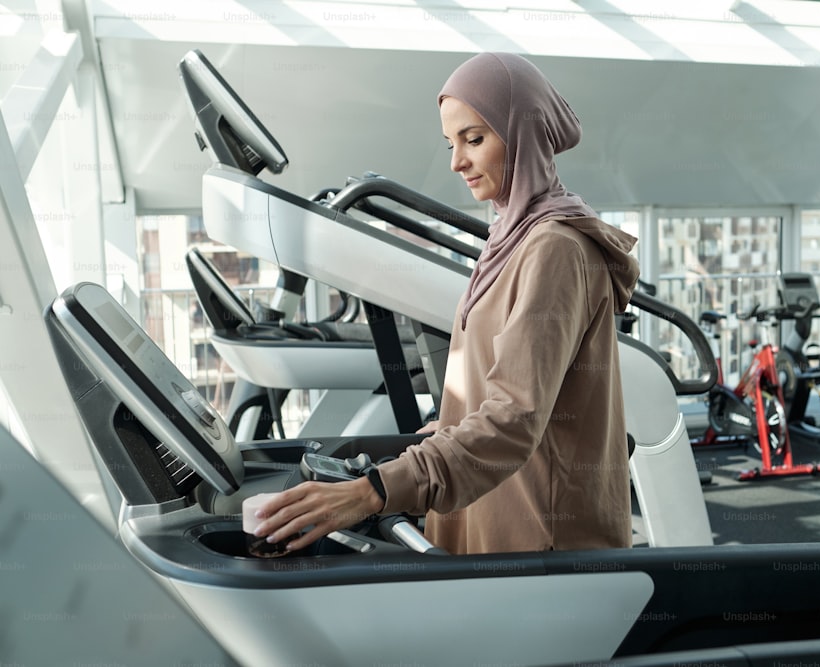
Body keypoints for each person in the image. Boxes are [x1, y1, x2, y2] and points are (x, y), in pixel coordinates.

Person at [251, 52, 640, 555]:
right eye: (451, 143)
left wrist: (373, 492)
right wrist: (442, 433)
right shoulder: (510, 236)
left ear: (522, 133)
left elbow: (514, 417)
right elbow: (496, 388)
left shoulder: (555, 249)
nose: (457, 161)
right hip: (491, 504)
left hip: (540, 535)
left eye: (474, 139)